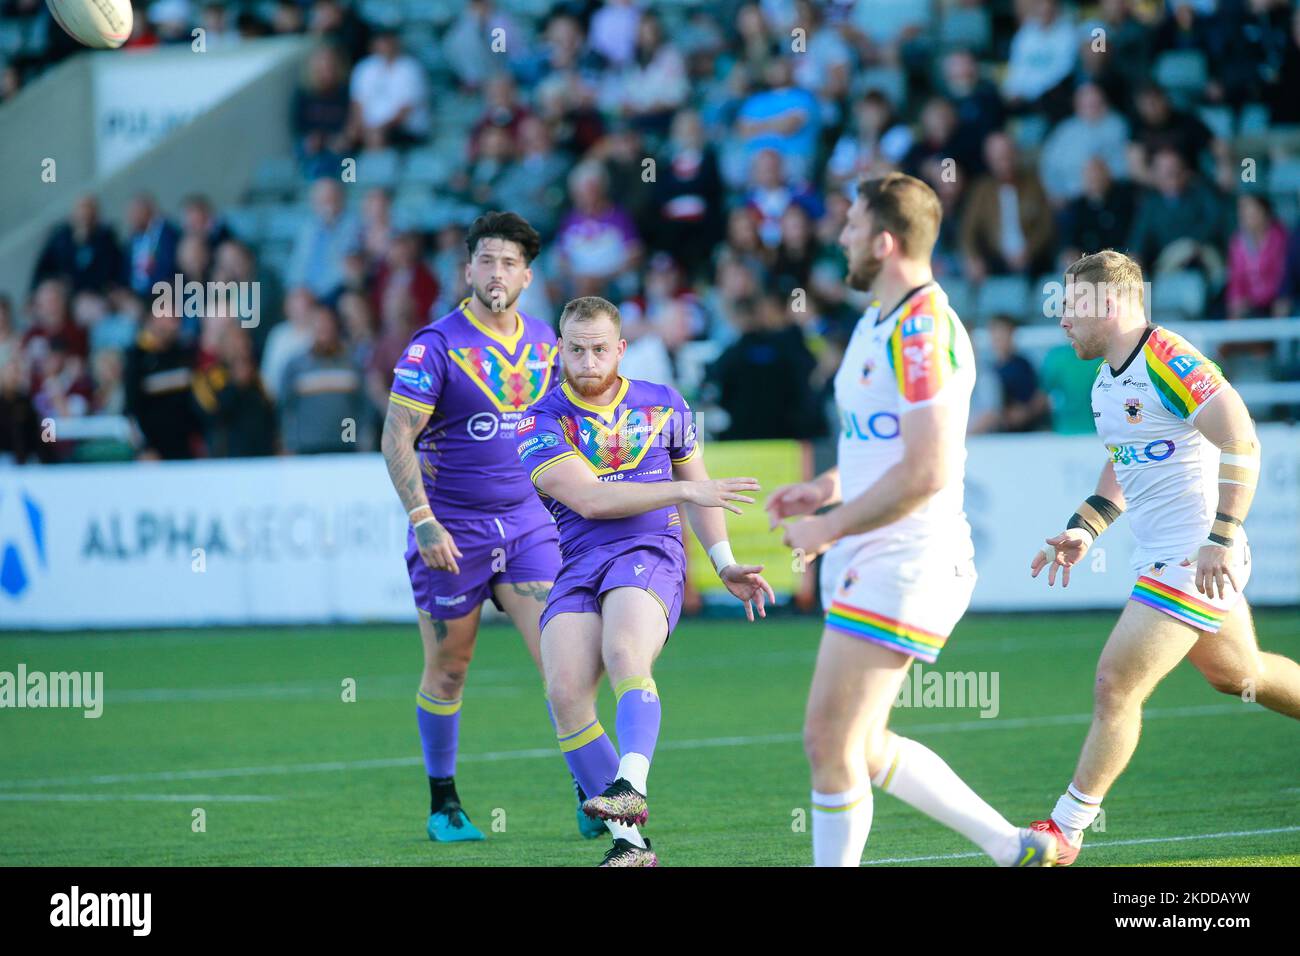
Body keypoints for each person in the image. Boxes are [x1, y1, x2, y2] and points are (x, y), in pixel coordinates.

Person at [768, 172, 1058, 868]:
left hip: (907, 555)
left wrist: (829, 528)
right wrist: (827, 489)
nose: (840, 238)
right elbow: (884, 445)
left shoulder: (923, 329)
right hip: (877, 551)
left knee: (827, 741)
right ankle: (1008, 846)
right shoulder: (879, 318)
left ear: (886, 240)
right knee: (861, 746)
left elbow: (927, 469)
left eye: (851, 226)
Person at [1028, 249, 1300, 864]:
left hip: (1193, 557)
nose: (1063, 319)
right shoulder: (1106, 380)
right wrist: (1085, 529)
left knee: (1114, 684)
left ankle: (1065, 830)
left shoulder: (1168, 358)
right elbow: (1125, 462)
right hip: (1174, 556)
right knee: (1242, 676)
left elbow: (1240, 435)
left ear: (1112, 302)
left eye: (1072, 305)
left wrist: (1222, 535)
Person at [522, 295, 774, 867]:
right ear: (559, 349)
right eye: (576, 349)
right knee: (564, 692)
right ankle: (631, 846)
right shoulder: (538, 419)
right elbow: (588, 498)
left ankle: (630, 782)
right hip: (579, 561)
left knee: (624, 650)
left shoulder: (665, 404)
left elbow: (703, 489)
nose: (587, 361)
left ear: (621, 350)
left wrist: (724, 560)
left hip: (649, 551)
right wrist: (683, 490)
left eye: (599, 350)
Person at [380, 212, 603, 843]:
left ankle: (590, 793)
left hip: (533, 526)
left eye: (509, 263)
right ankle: (444, 803)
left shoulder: (545, 342)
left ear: (526, 276)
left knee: (567, 664)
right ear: (468, 269)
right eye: (486, 261)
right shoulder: (436, 345)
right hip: (452, 530)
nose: (496, 272)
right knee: (450, 667)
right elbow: (397, 434)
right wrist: (423, 521)